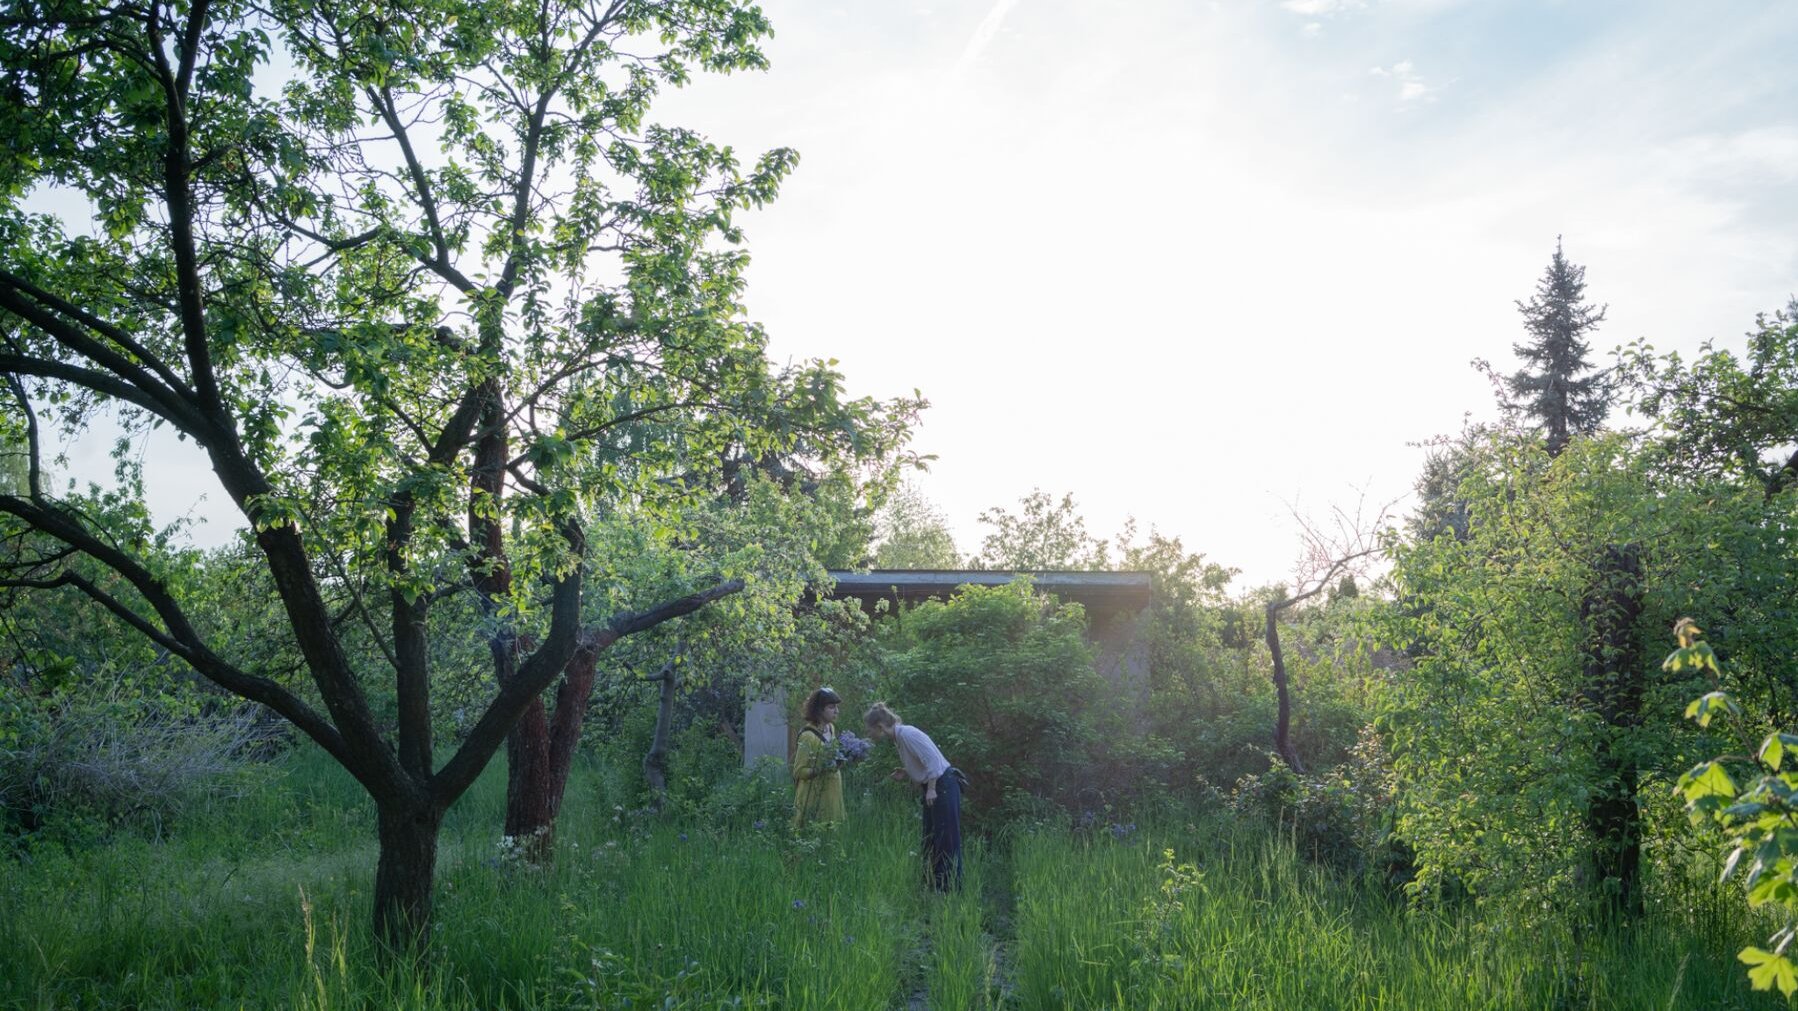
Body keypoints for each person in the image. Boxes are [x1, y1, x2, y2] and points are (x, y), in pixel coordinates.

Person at [864, 702, 965, 890]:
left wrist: (932, 788)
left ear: (879, 726)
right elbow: (923, 761)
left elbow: (934, 761)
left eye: (869, 730)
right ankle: (934, 888)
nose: (868, 734)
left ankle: (949, 892)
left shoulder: (908, 734)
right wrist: (906, 772)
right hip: (936, 785)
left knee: (946, 841)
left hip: (943, 786)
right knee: (931, 840)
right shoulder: (899, 738)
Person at [791, 687, 846, 831]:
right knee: (812, 832)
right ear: (819, 710)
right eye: (831, 707)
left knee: (832, 834)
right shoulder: (807, 736)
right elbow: (798, 771)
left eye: (836, 707)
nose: (836, 711)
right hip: (814, 795)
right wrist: (820, 769)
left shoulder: (831, 729)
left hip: (832, 791)